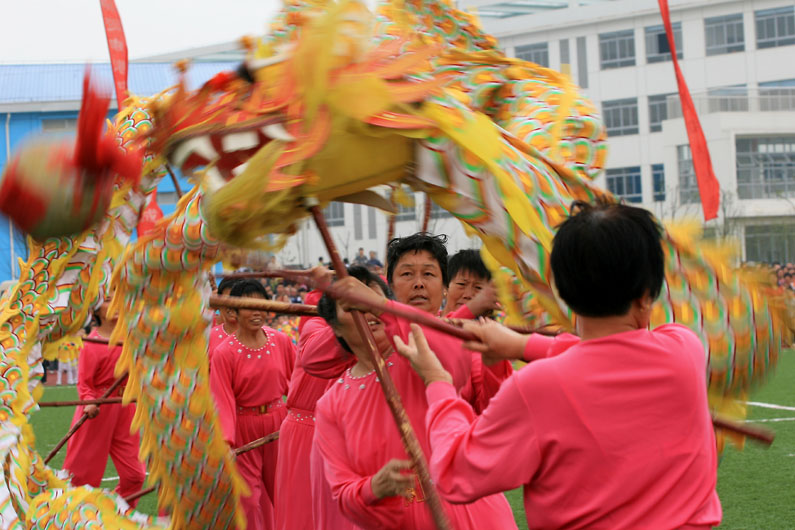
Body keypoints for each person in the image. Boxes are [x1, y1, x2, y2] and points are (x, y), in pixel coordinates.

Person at [394, 200, 722, 529]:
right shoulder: (685, 350)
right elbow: (610, 354)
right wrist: (522, 345)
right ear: (648, 295)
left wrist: (437, 381)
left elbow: (454, 473)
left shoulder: (538, 386)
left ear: (563, 291)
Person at [313, 266, 517, 529]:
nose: (366, 312)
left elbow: (453, 350)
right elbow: (342, 494)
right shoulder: (330, 404)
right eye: (352, 305)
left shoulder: (418, 354)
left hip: (468, 512)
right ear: (336, 328)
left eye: (370, 300)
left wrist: (381, 306)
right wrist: (374, 487)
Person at [210, 279, 296, 530]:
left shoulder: (280, 341)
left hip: (279, 425)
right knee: (247, 501)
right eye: (249, 306)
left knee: (285, 495)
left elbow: (297, 381)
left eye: (261, 305)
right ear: (233, 312)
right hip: (243, 430)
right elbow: (222, 399)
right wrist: (226, 442)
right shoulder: (224, 352)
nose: (257, 312)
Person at [63, 299, 146, 506]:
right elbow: (84, 383)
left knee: (135, 475)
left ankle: (116, 513)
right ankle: (75, 518)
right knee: (82, 479)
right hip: (96, 411)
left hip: (126, 407)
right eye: (109, 300)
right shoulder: (92, 344)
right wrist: (90, 401)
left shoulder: (131, 339)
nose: (117, 303)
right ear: (96, 309)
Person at [444, 249, 499, 319]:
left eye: (478, 287)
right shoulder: (428, 319)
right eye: (461, 284)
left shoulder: (494, 326)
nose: (468, 295)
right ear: (445, 287)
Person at [208, 277, 239, 364]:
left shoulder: (261, 336)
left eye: (237, 300)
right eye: (227, 300)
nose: (232, 306)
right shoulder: (206, 335)